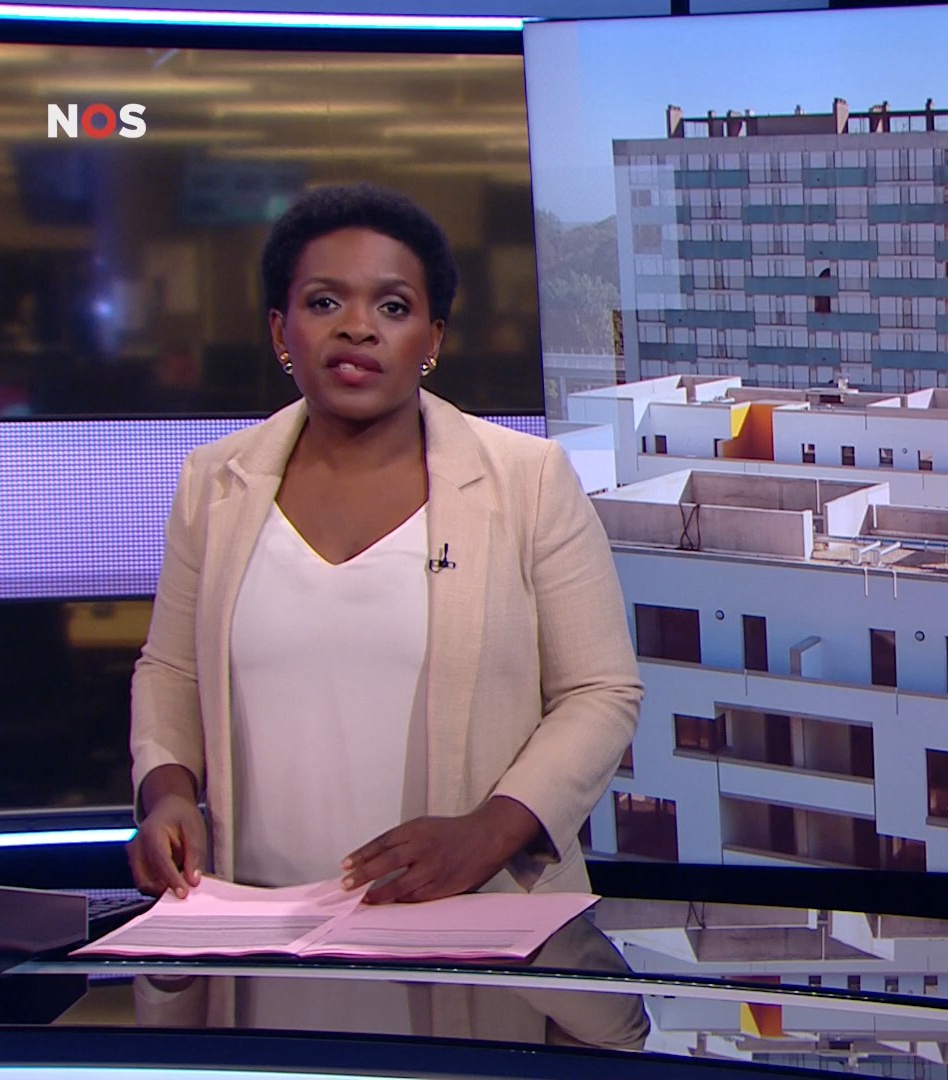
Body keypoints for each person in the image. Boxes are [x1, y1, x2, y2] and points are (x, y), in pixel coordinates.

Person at [126, 183, 641, 904]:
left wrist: (490, 832)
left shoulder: (528, 480)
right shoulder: (214, 483)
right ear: (280, 332)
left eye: (393, 307)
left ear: (432, 340)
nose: (357, 329)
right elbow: (171, 670)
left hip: (476, 918)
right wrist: (169, 792)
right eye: (324, 302)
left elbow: (600, 692)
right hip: (261, 922)